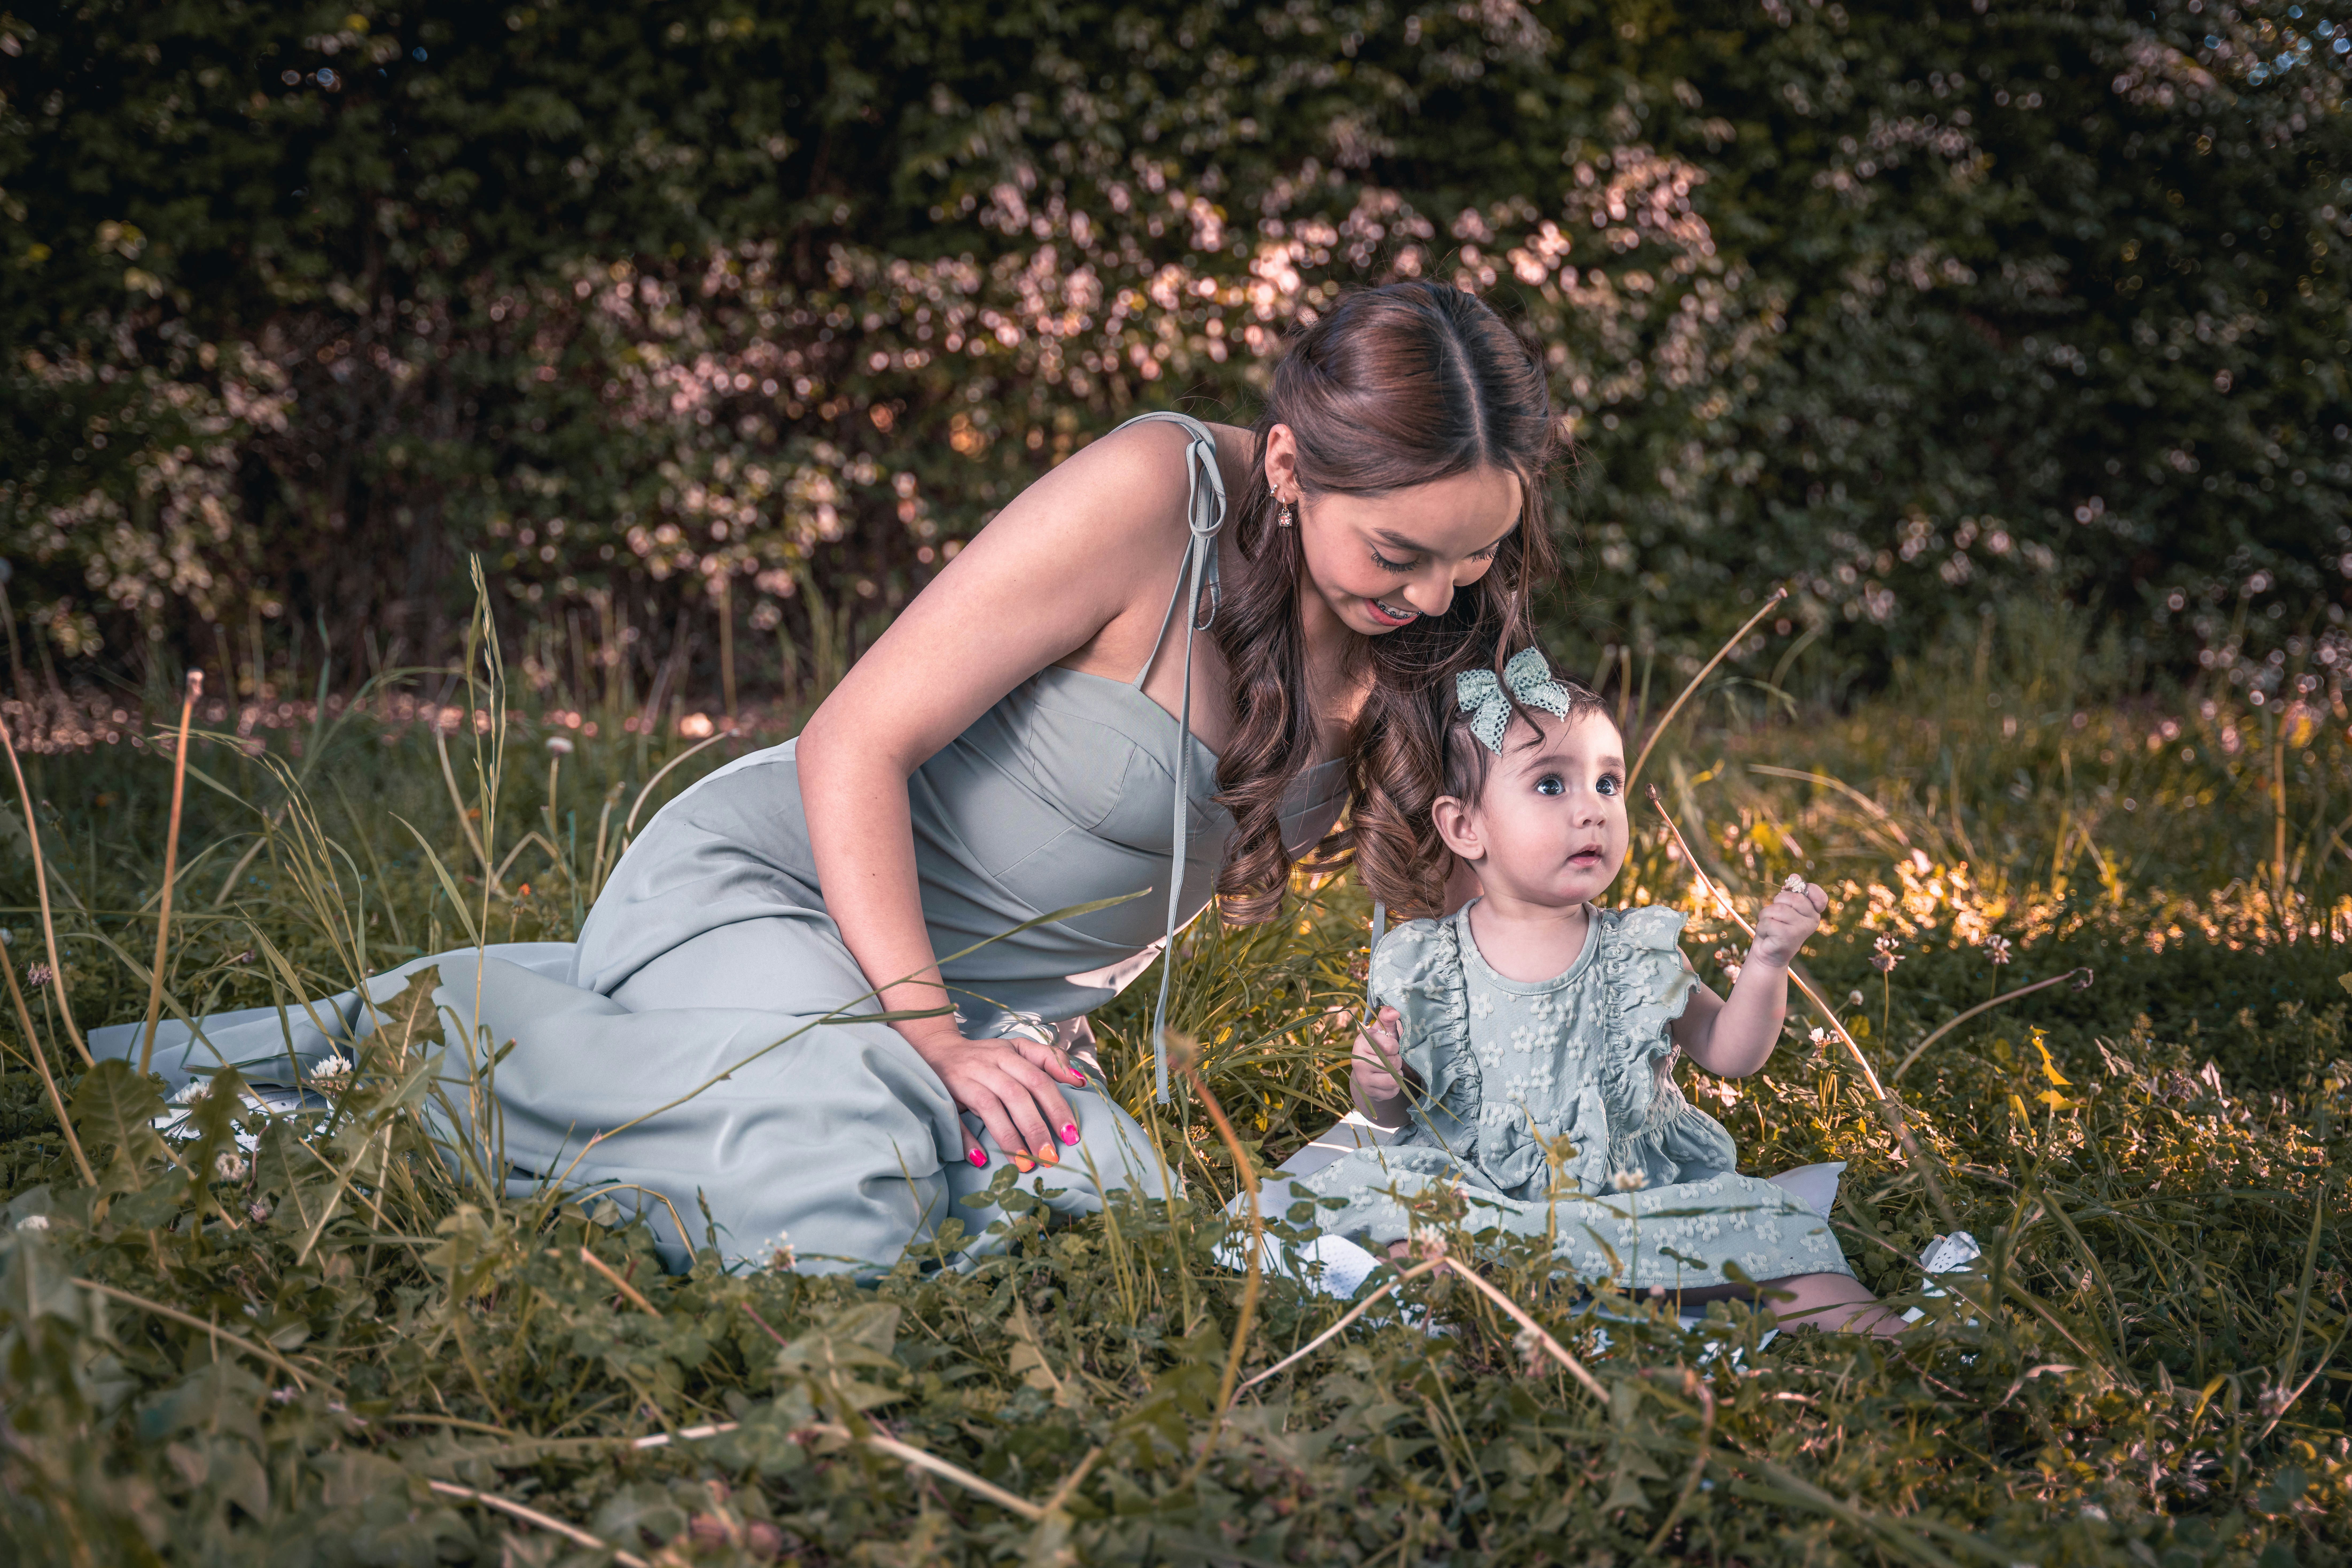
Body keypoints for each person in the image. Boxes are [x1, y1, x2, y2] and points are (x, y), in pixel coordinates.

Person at [95, 280, 1562, 1274]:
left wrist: (1053, 1024)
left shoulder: (1426, 635)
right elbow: (852, 740)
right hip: (778, 884)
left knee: (1110, 1212)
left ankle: (729, 1065)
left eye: (1473, 553)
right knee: (847, 1164)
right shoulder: (1151, 495)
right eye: (1400, 553)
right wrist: (935, 1040)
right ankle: (445, 1035)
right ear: (1295, 464)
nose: (1435, 597)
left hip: (995, 1005)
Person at [1256, 646, 1902, 1335]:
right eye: (1550, 786)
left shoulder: (1636, 953)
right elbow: (1393, 1124)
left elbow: (1730, 1052)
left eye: (1608, 785)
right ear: (1464, 827)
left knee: (1789, 1258)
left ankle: (1927, 1354)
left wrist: (1769, 962)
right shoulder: (1427, 963)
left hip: (1630, 1207)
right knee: (1400, 1231)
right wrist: (1378, 1090)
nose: (1593, 811)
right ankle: (1487, 1315)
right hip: (1479, 1199)